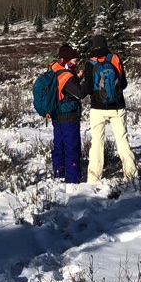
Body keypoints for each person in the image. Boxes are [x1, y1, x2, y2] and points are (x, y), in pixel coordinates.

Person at [82, 33, 137, 181]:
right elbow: (123, 84)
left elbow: (87, 88)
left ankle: (94, 177)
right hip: (118, 106)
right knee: (122, 139)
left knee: (97, 142)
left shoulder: (90, 62)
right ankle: (131, 174)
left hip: (97, 108)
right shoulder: (115, 58)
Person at [47, 44, 86, 184]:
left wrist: (77, 77)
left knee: (59, 146)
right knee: (72, 147)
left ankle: (58, 174)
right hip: (69, 116)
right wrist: (86, 81)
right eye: (75, 61)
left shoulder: (55, 71)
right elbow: (79, 93)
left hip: (56, 115)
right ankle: (73, 180)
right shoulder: (67, 76)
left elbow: (65, 90)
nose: (77, 63)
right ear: (68, 61)